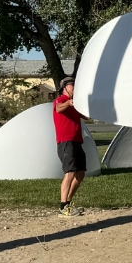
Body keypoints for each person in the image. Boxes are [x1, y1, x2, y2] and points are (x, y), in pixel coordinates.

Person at [52, 77, 88, 217]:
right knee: (70, 172)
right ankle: (63, 206)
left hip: (77, 142)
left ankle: (68, 202)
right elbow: (58, 108)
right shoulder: (60, 101)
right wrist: (68, 102)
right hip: (66, 142)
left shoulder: (74, 105)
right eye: (72, 85)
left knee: (80, 173)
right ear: (64, 88)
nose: (74, 88)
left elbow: (85, 116)